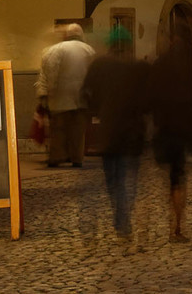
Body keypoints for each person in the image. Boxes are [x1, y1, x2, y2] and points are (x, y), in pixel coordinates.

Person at [86, 21, 147, 242]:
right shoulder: (138, 68)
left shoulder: (99, 65)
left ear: (110, 45)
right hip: (133, 134)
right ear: (128, 46)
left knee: (113, 179)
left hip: (109, 133)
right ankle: (124, 215)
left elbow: (86, 93)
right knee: (129, 179)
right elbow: (147, 102)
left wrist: (97, 111)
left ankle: (121, 219)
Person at [146, 20, 192, 240]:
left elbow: (149, 99)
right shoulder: (188, 65)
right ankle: (177, 226)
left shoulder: (160, 64)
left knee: (171, 179)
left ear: (170, 40)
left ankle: (173, 223)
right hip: (182, 129)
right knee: (178, 178)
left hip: (165, 129)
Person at [36, 21, 92, 169]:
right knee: (78, 132)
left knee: (58, 130)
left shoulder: (55, 50)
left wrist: (46, 94)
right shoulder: (89, 51)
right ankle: (77, 158)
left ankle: (57, 157)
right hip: (82, 99)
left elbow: (49, 73)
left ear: (67, 35)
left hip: (60, 99)